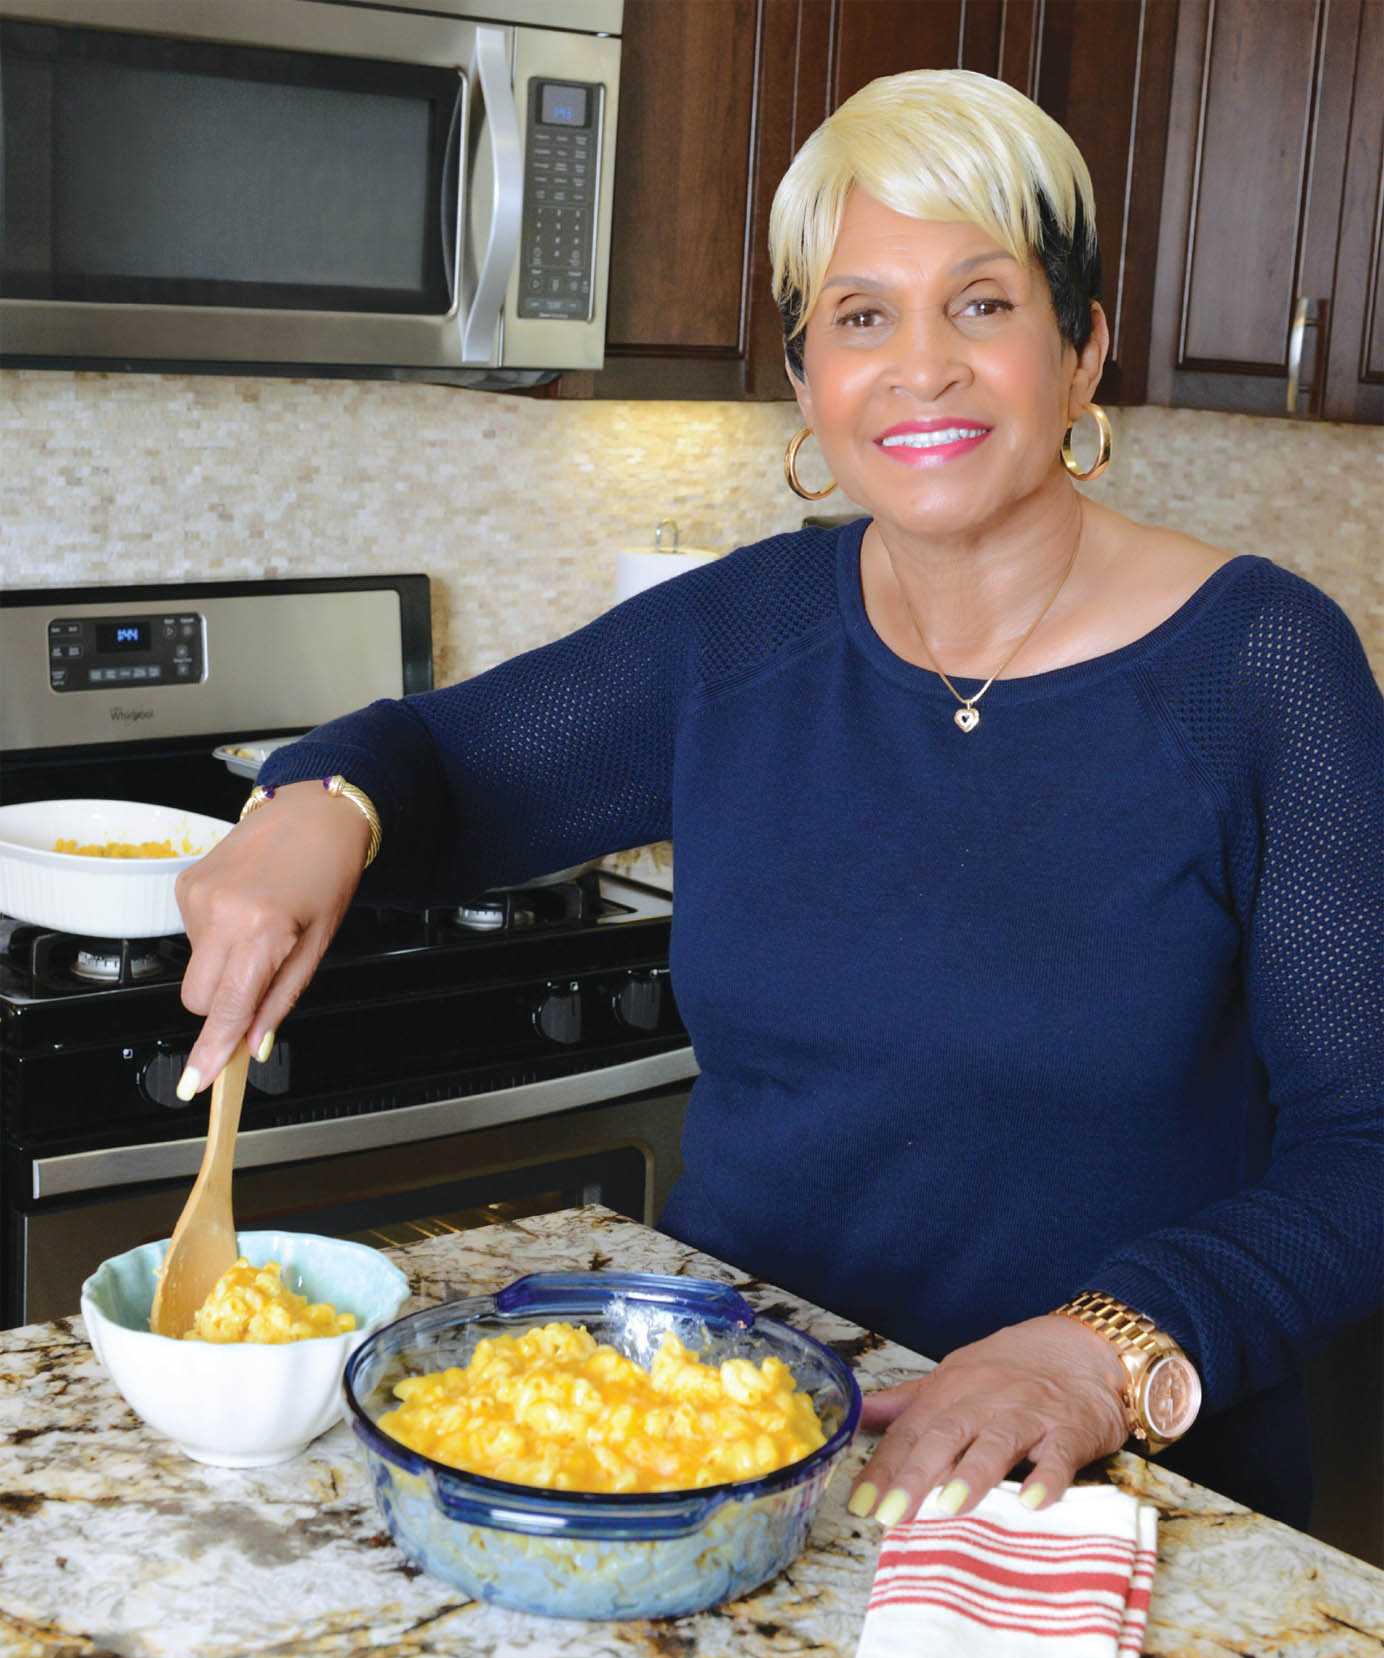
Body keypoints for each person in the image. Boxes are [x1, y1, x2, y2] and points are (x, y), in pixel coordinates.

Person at [174, 70, 1382, 1535]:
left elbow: (1362, 1147)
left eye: (983, 304)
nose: (918, 366)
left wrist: (1103, 1351)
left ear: (1083, 348)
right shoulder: (741, 635)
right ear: (807, 373)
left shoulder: (1258, 664)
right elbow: (437, 763)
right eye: (861, 314)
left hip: (1103, 1497)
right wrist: (320, 798)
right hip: (731, 1442)